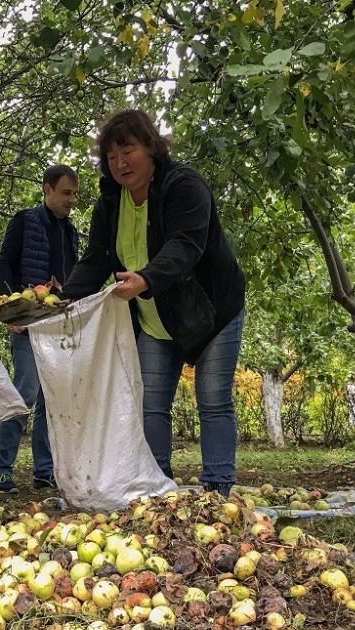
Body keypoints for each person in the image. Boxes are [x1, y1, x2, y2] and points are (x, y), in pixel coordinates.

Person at [61, 109, 246, 497]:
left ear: (152, 147)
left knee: (212, 401)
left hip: (212, 314)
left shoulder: (183, 185)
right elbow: (96, 259)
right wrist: (60, 302)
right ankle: (157, 487)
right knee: (149, 404)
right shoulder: (110, 202)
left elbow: (186, 244)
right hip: (155, 319)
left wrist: (146, 277)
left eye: (127, 150)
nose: (120, 163)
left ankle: (218, 490)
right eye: (111, 157)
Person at [0, 165, 80, 493]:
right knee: (24, 395)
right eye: (66, 193)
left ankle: (44, 471)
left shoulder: (69, 232)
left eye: (75, 194)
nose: (72, 200)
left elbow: (70, 281)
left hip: (57, 328)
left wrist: (63, 288)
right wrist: (10, 309)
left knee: (51, 401)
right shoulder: (25, 221)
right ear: (47, 190)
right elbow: (3, 264)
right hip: (26, 325)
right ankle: (1, 469)